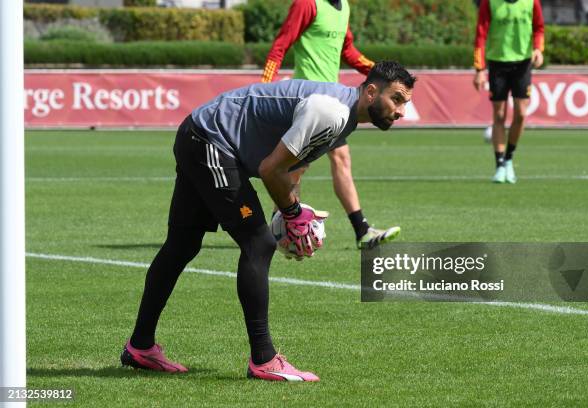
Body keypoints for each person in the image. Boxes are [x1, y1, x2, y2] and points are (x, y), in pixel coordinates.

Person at [121, 61, 416, 381]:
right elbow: (269, 170)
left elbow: (290, 170)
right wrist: (293, 215)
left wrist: (289, 215)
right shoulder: (331, 111)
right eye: (396, 99)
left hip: (202, 135)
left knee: (182, 245)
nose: (400, 111)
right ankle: (263, 358)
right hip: (211, 140)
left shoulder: (344, 119)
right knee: (258, 244)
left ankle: (140, 346)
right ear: (371, 91)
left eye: (405, 103)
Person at [262, 0, 401, 249]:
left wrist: (382, 73)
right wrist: (265, 87)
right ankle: (281, 226)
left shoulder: (343, 7)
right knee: (294, 166)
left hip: (331, 101)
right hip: (305, 101)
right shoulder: (307, 4)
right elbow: (280, 45)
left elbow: (348, 51)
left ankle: (360, 231)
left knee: (332, 160)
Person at [473, 0, 545, 184]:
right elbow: (480, 34)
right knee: (499, 115)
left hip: (523, 63)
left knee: (521, 113)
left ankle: (509, 158)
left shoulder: (531, 2)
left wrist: (538, 48)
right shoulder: (490, 2)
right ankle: (499, 165)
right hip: (497, 63)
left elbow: (539, 27)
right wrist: (480, 69)